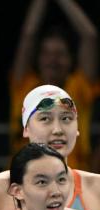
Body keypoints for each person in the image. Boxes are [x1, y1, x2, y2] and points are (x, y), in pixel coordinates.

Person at [10, 0, 96, 171]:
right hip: (27, 182)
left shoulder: (78, 89)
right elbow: (29, 34)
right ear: (38, 58)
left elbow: (89, 36)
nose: (52, 60)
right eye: (46, 53)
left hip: (72, 183)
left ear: (71, 61)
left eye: (60, 54)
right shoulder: (25, 87)